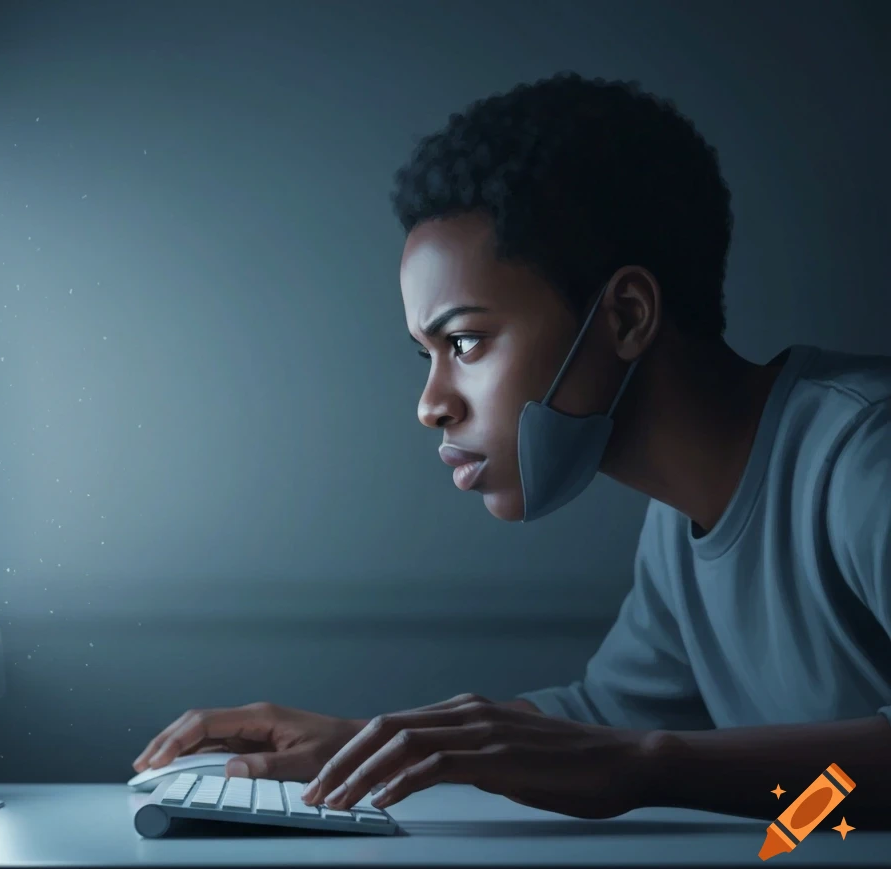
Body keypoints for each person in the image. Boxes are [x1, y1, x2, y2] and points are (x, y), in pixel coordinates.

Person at [132, 72, 891, 824]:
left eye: (464, 342)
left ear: (626, 316)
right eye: (424, 354)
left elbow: (624, 751)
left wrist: (643, 768)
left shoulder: (866, 455)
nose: (431, 405)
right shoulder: (677, 524)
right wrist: (367, 743)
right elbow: (609, 719)